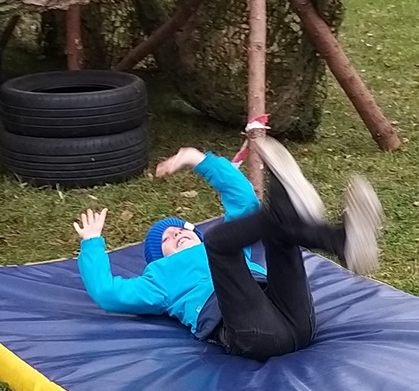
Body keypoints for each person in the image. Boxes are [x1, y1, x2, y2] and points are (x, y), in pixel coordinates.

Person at [73, 137, 383, 361]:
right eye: (166, 239)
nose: (177, 233)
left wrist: (197, 159)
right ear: (158, 257)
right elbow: (107, 293)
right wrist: (92, 243)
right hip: (254, 335)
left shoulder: (237, 252)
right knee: (220, 242)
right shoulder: (157, 280)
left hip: (297, 320)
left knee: (271, 233)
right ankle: (296, 220)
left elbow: (243, 202)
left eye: (181, 228)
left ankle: (341, 241)